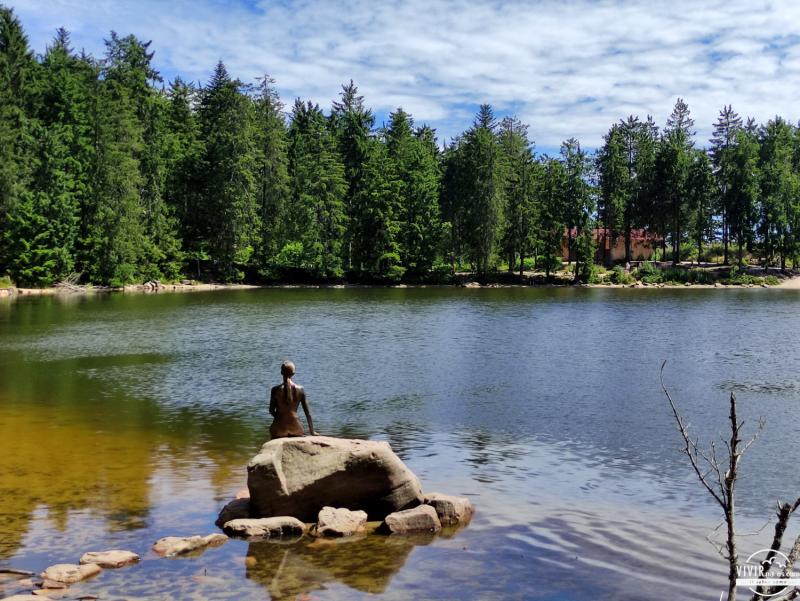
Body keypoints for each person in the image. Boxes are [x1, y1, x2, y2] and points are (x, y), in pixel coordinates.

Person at [269, 360, 318, 438]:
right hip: (296, 429)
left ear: (281, 373)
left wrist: (279, 419)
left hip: (279, 430)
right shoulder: (300, 389)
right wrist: (312, 431)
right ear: (293, 374)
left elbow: (271, 411)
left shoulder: (275, 390)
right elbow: (308, 413)